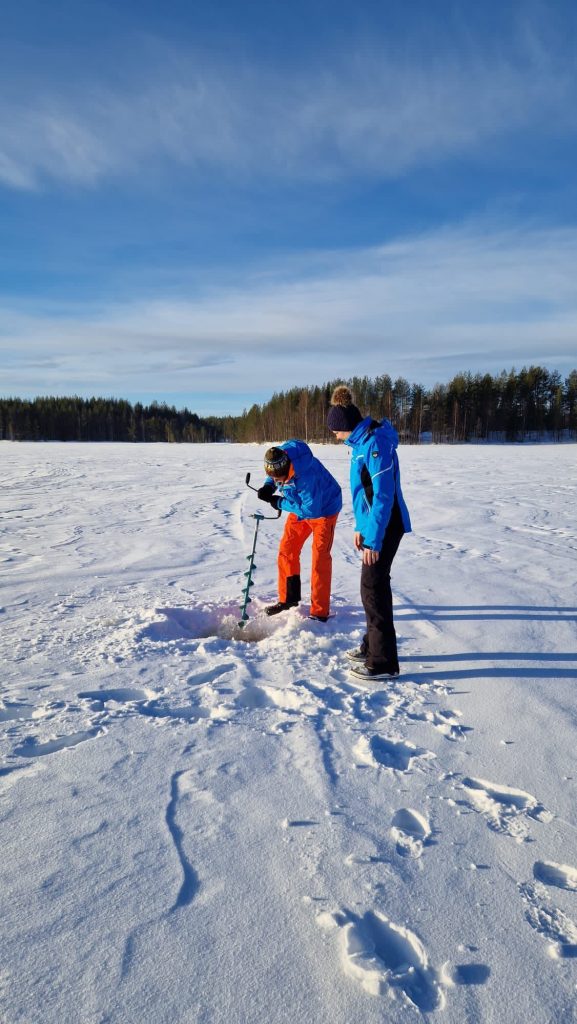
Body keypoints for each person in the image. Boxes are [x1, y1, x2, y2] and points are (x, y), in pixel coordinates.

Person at [327, 385, 411, 679]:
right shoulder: (360, 444)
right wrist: (361, 528)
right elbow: (364, 493)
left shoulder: (374, 445)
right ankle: (371, 645)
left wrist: (374, 537)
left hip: (387, 524)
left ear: (345, 426)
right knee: (370, 589)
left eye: (335, 430)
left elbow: (383, 497)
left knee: (373, 589)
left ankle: (383, 661)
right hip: (375, 525)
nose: (334, 436)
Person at [257, 440, 342, 622]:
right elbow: (274, 475)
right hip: (300, 507)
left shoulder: (306, 476)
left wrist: (278, 502)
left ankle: (319, 612)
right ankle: (288, 600)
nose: (277, 482)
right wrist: (268, 486)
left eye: (279, 480)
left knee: (320, 558)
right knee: (287, 550)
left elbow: (312, 511)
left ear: (287, 469)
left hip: (324, 509)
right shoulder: (280, 456)